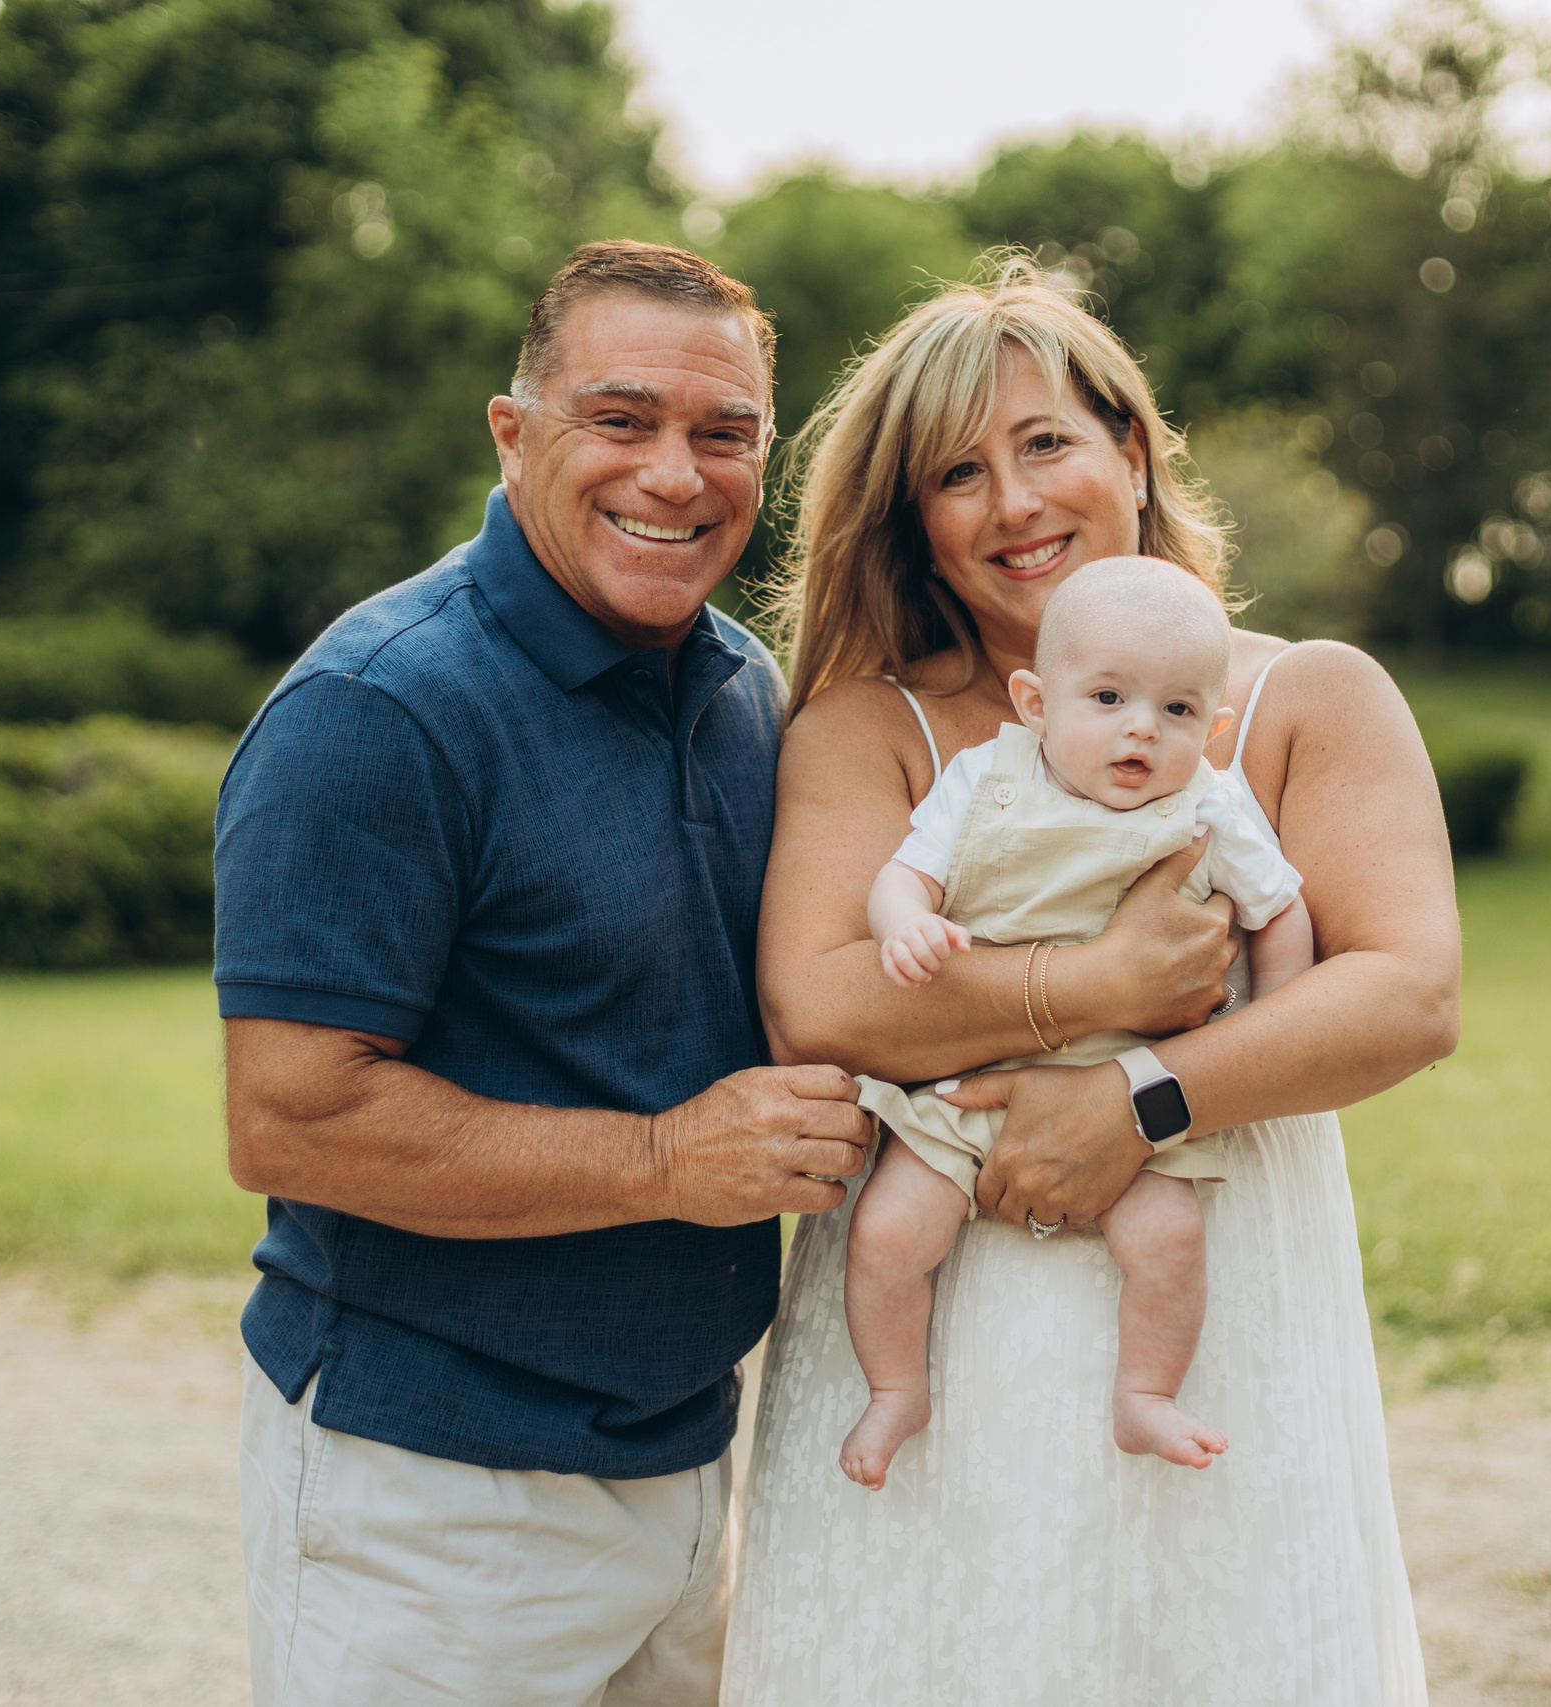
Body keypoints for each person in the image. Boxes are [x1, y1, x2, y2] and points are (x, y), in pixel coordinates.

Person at [724, 260, 1458, 1705]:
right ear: (916, 526)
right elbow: (819, 998)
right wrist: (1098, 980)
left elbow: (1405, 995)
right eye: (957, 472)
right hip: (942, 1310)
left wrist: (1143, 1096)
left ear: (1130, 447)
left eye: (1045, 441)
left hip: (1215, 1281)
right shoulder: (870, 729)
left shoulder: (1308, 698)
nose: (1012, 501)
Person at [214, 241, 871, 1707]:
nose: (676, 473)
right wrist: (666, 1155)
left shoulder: (748, 692)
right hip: (431, 1492)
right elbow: (292, 1118)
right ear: (513, 434)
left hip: (691, 1456)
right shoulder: (376, 709)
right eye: (619, 419)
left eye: (725, 434)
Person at [840, 555, 1314, 1489]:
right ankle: (896, 1388)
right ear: (1034, 701)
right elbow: (905, 875)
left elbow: (1280, 908)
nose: (1142, 726)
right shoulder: (984, 778)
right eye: (1107, 697)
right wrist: (906, 928)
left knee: (1168, 1240)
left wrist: (1276, 1017)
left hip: (1133, 1081)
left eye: (1178, 711)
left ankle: (1145, 1394)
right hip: (970, 1062)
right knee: (890, 1233)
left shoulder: (1211, 804)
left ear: (1212, 729)